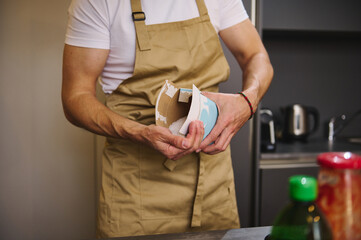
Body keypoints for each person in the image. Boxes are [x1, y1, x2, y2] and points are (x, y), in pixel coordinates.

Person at [62, 0, 273, 238]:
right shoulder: (98, 3)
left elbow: (257, 55)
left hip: (213, 185)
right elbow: (75, 97)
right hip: (136, 190)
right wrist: (140, 133)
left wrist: (248, 100)